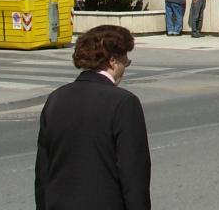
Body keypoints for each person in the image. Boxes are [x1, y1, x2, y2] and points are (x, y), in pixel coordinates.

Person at [35, 25, 150, 209]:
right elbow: (134, 175)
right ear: (113, 61)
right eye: (125, 61)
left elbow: (43, 169)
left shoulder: (57, 98)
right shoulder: (124, 102)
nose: (125, 68)